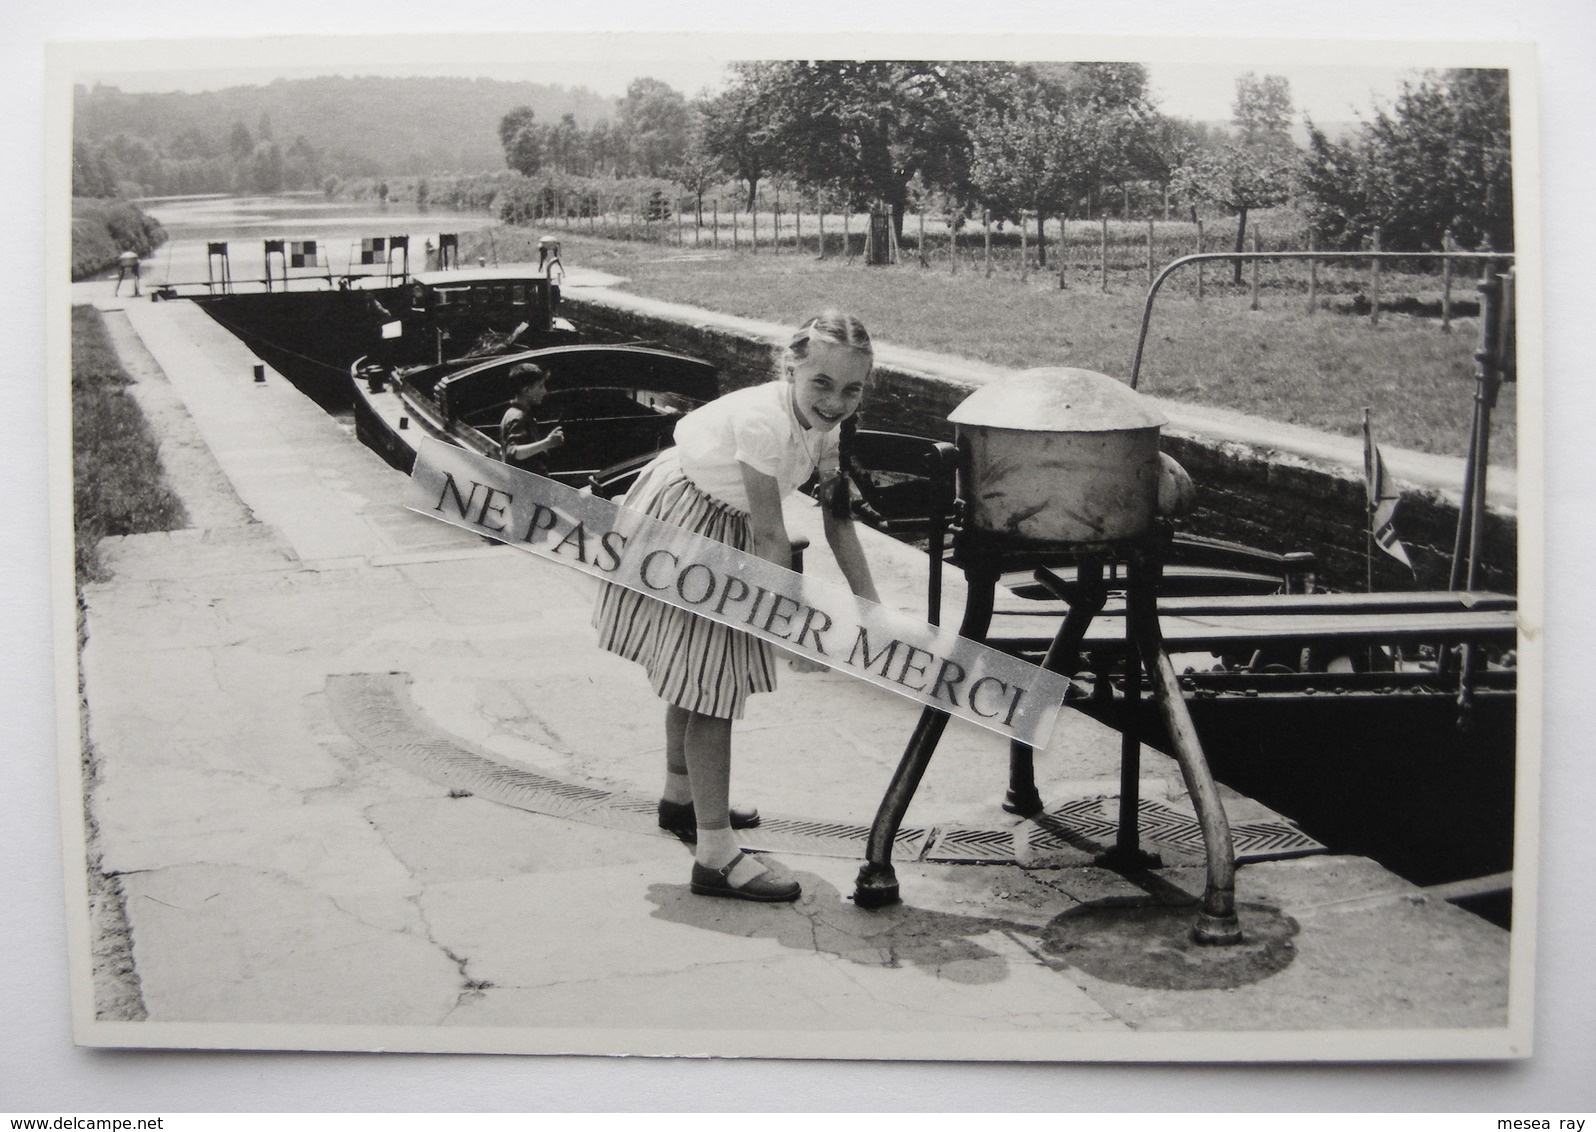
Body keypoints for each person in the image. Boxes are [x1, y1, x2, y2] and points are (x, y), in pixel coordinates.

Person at [593, 311, 881, 903]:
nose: (835, 401)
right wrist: (793, 630)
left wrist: (869, 603)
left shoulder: (825, 427)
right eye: (821, 384)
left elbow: (837, 515)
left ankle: (682, 798)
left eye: (851, 389)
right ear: (792, 368)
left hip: (716, 516)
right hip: (687, 523)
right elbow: (773, 537)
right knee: (712, 685)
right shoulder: (764, 424)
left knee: (694, 674)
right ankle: (716, 854)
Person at [498, 364, 565, 475]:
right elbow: (514, 452)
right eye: (540, 386)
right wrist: (546, 443)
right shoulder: (518, 417)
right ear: (527, 390)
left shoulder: (514, 413)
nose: (544, 391)